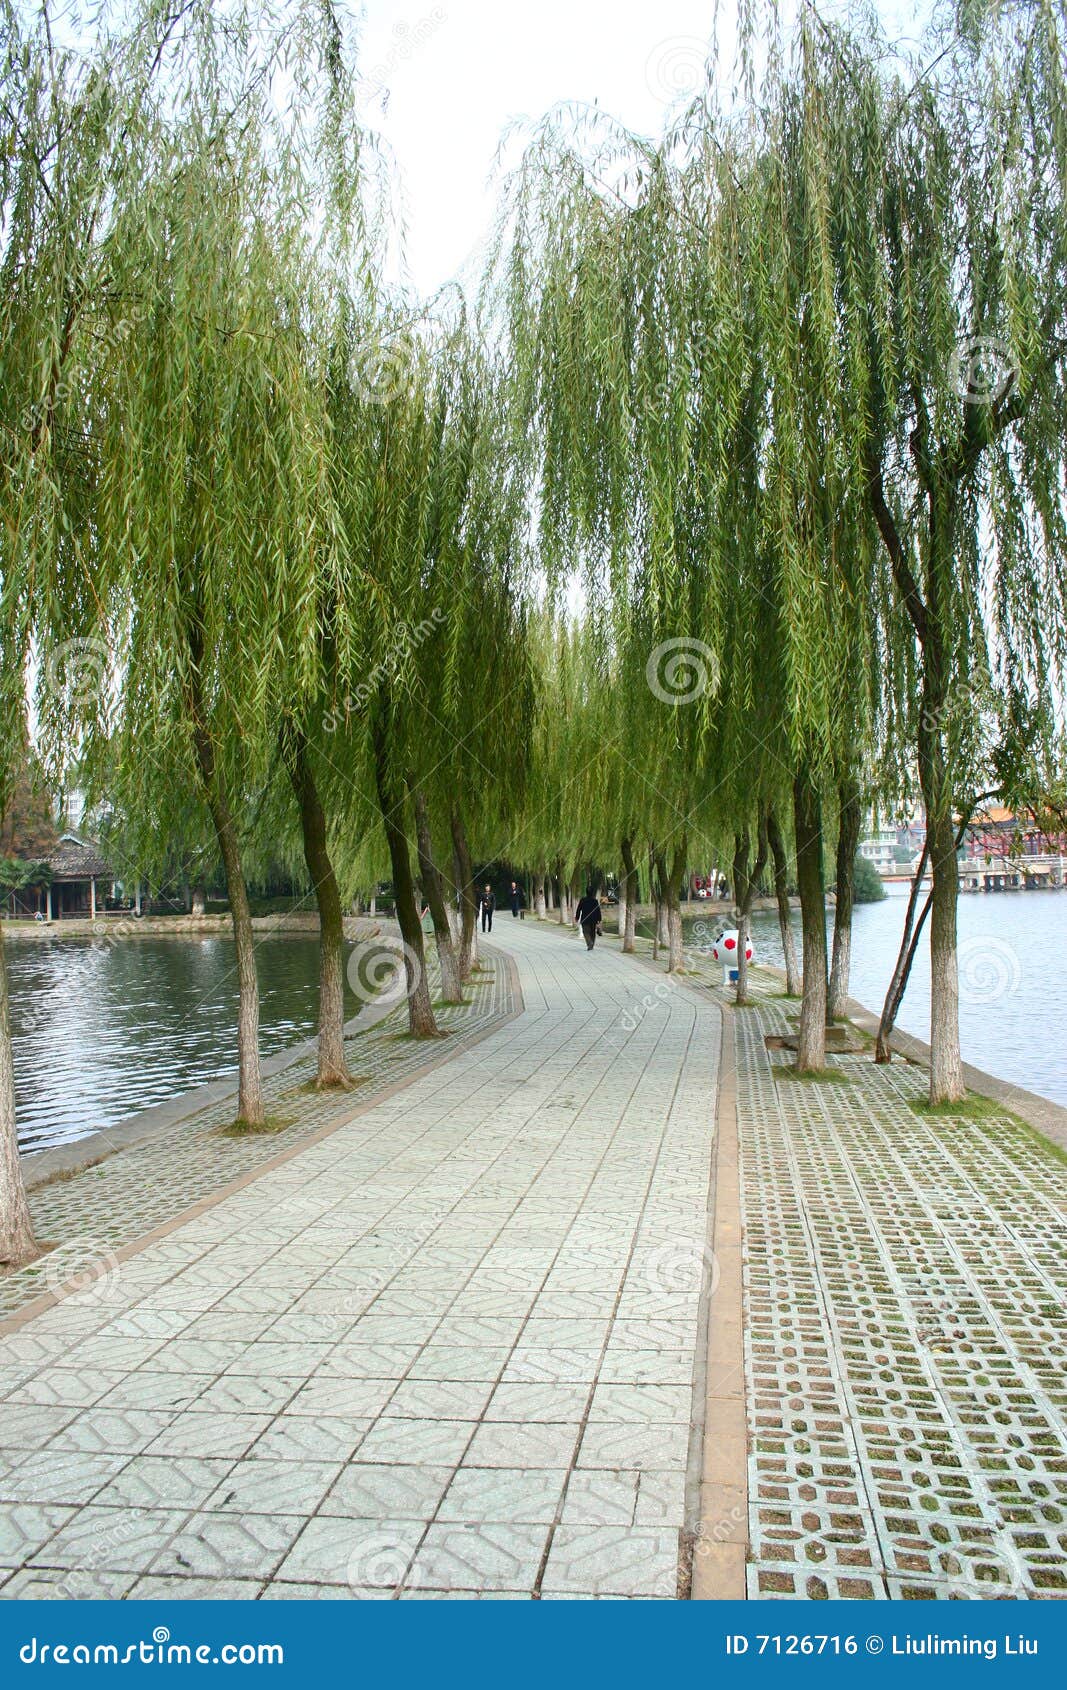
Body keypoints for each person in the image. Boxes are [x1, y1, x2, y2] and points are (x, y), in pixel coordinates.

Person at [574, 885, 603, 950]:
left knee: (586, 932)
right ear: (593, 892)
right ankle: (591, 944)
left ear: (586, 892)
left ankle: (590, 943)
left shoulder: (583, 900)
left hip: (585, 919)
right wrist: (599, 919)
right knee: (592, 932)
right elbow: (598, 910)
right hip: (593, 920)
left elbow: (579, 909)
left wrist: (577, 917)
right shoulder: (594, 901)